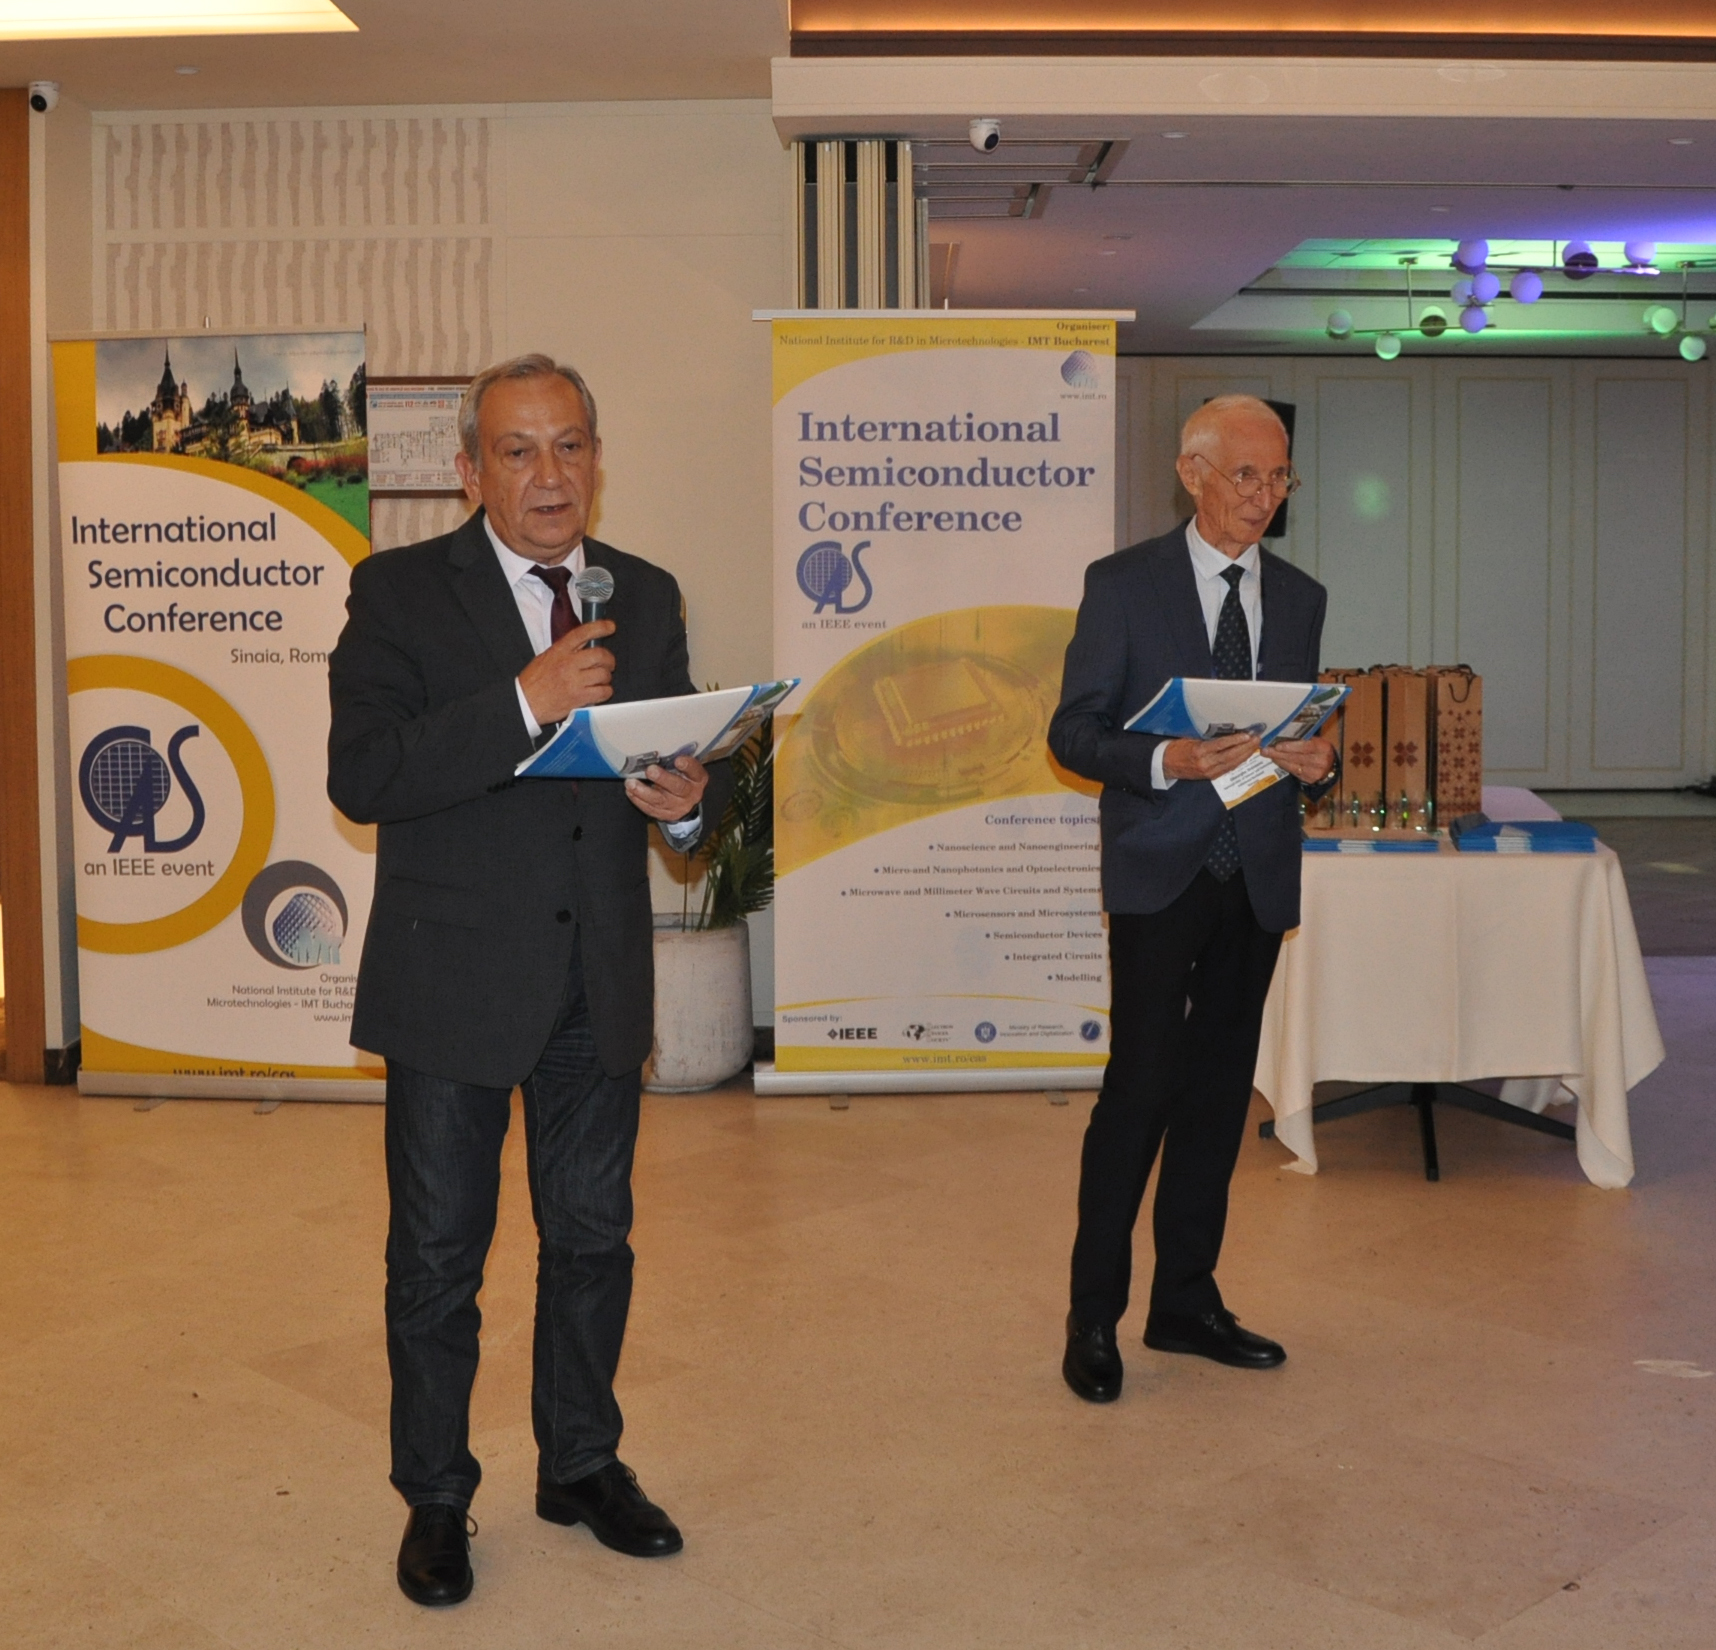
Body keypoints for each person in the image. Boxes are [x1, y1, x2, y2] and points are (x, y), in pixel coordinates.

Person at [327, 354, 729, 1605]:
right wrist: (523, 699)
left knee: (593, 1240)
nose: (550, 475)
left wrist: (685, 803)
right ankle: (437, 1496)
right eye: (518, 450)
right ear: (469, 470)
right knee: (438, 1259)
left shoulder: (644, 595)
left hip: (596, 978)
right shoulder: (399, 592)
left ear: (596, 459)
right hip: (451, 980)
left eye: (570, 446)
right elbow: (365, 776)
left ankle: (582, 1463)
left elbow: (679, 766)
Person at [1047, 393, 1337, 1404]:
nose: (1264, 496)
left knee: (1217, 1099)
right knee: (1138, 1092)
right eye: (1245, 475)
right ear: (1192, 473)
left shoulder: (1299, 597)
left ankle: (1185, 1301)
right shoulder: (1124, 585)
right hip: (1159, 873)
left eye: (1280, 477)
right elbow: (1073, 732)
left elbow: (1297, 732)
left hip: (1253, 875)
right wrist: (1165, 757)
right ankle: (1093, 1316)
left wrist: (1318, 763)